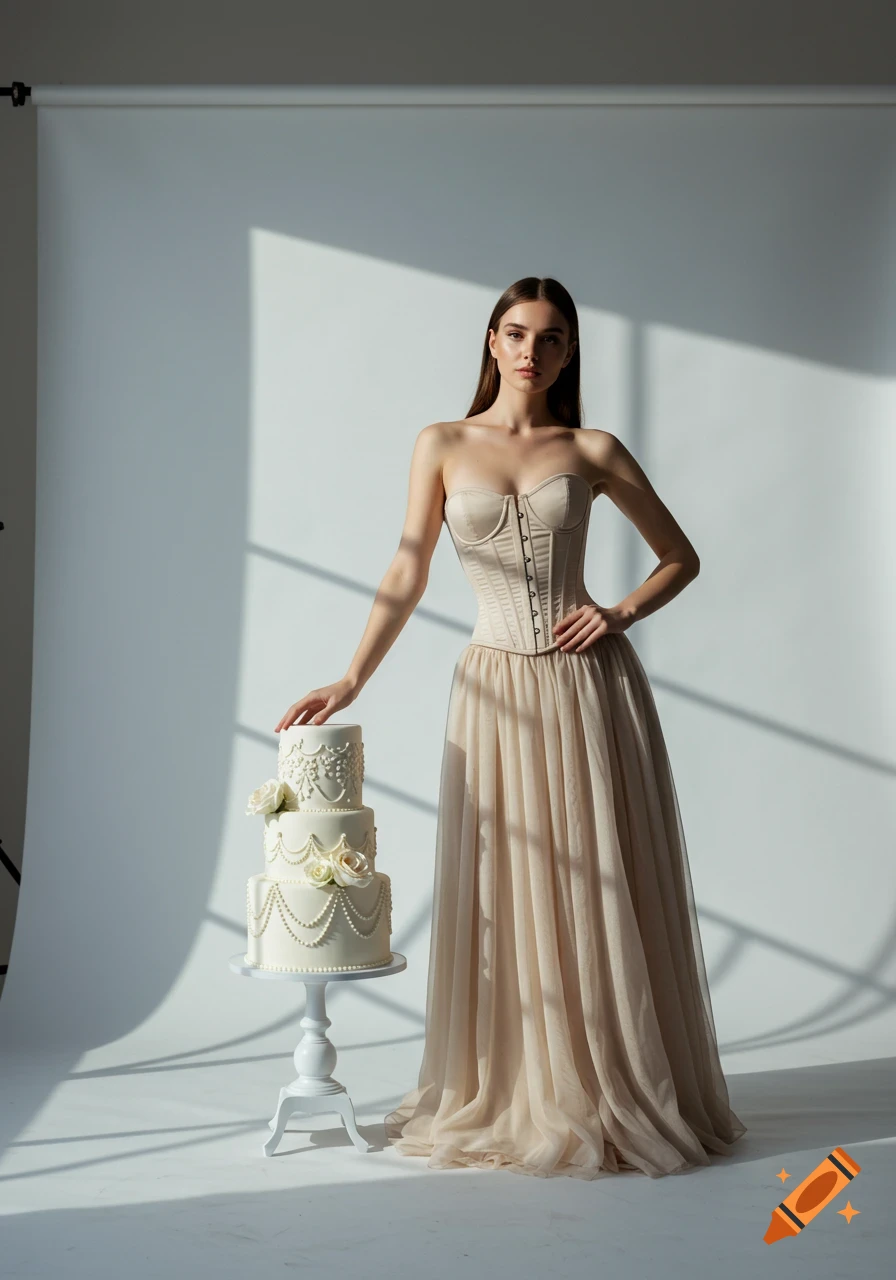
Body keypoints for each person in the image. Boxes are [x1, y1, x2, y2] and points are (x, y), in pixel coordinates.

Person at [275, 276, 747, 1180]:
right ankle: (520, 1082)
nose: (533, 350)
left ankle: (609, 1081)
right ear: (492, 341)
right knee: (509, 890)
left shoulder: (593, 447)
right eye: (517, 332)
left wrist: (619, 612)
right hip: (491, 689)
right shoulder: (443, 444)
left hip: (587, 687)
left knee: (598, 881)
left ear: (570, 353)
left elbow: (680, 558)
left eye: (553, 337)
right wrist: (351, 676)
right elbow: (408, 570)